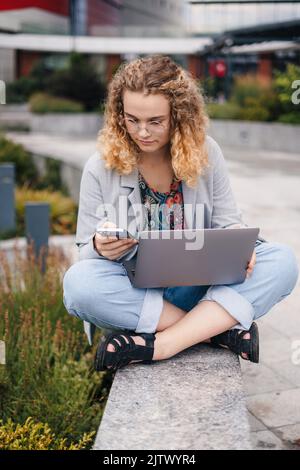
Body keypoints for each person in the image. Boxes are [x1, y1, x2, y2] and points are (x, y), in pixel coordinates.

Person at [62, 54, 299, 372]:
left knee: (282, 261)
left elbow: (228, 222)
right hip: (140, 295)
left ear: (179, 114)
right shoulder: (99, 167)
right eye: (132, 119)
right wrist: (98, 247)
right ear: (120, 114)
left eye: (155, 121)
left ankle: (162, 345)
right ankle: (213, 332)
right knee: (78, 284)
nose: (142, 132)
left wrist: (238, 244)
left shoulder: (206, 152)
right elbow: (84, 256)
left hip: (200, 286)